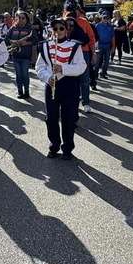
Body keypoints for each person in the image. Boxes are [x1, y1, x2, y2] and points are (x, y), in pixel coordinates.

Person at [36, 16, 87, 159]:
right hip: (51, 85)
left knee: (68, 118)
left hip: (70, 85)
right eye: (55, 28)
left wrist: (63, 68)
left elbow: (81, 66)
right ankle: (54, 145)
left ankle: (67, 148)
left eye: (61, 28)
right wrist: (47, 77)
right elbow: (39, 67)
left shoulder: (75, 46)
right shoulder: (45, 46)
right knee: (51, 118)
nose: (58, 31)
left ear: (66, 30)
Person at [64, 0, 96, 112]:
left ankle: (86, 102)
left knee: (84, 78)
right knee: (70, 78)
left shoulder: (84, 22)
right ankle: (72, 102)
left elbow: (91, 39)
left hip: (84, 52)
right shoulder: (62, 21)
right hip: (67, 53)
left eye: (74, 10)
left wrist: (94, 54)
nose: (73, 12)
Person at [6, 0, 37, 99]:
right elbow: (6, 39)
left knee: (25, 74)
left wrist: (25, 43)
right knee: (18, 75)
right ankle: (20, 92)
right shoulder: (12, 28)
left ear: (26, 19)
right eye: (19, 18)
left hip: (25, 56)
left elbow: (35, 41)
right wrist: (12, 42)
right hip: (15, 55)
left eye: (23, 18)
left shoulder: (29, 29)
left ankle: (27, 92)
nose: (21, 20)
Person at [94, 12, 116, 79]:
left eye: (107, 18)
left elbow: (113, 37)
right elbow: (94, 36)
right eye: (104, 18)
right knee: (97, 62)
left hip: (107, 45)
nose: (105, 19)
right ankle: (95, 75)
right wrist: (95, 46)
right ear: (101, 18)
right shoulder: (97, 26)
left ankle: (103, 73)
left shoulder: (110, 26)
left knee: (106, 61)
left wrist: (113, 47)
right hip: (99, 45)